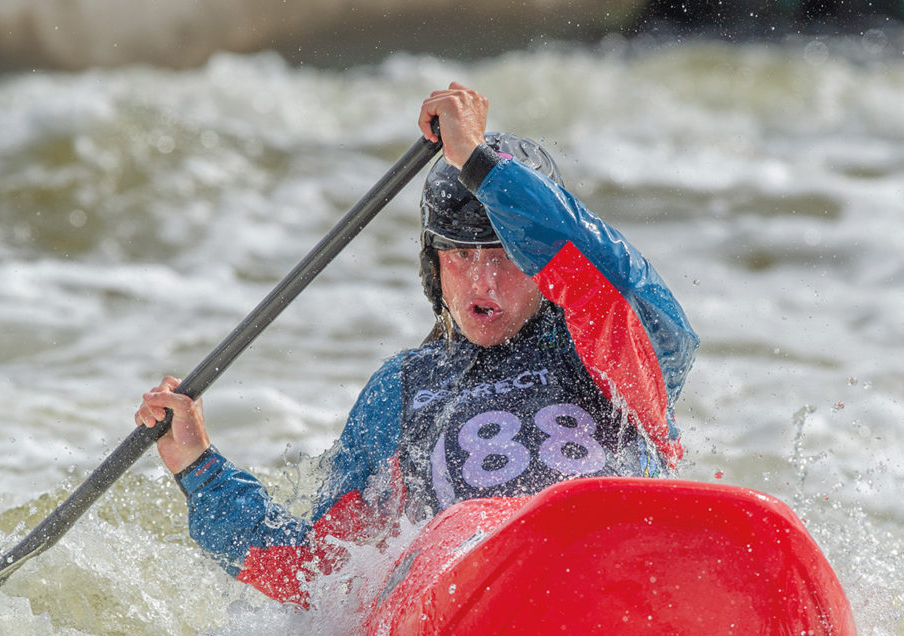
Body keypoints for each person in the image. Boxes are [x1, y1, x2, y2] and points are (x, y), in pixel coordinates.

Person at [134, 83, 699, 605]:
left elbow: (606, 278)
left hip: (623, 578)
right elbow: (314, 567)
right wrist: (199, 468)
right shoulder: (406, 388)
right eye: (460, 255)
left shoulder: (615, 345)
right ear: (434, 266)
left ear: (544, 268)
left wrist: (482, 168)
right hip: (474, 603)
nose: (482, 282)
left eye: (506, 257)